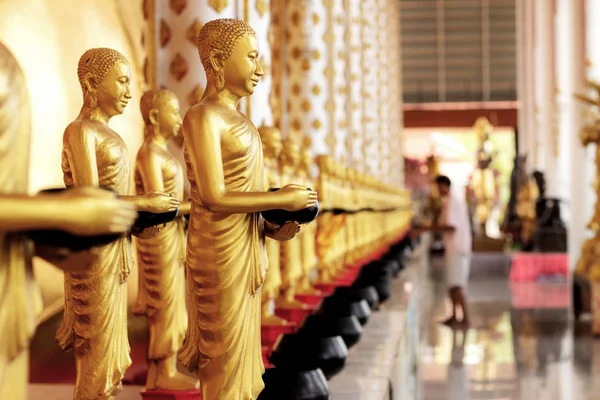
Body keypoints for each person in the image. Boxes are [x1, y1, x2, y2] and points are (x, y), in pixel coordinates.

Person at [417, 175, 472, 328]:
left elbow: (451, 226)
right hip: (452, 247)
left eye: (437, 187)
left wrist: (426, 228)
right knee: (452, 282)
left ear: (443, 186)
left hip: (458, 248)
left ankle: (465, 318)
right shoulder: (448, 201)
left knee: (457, 284)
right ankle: (455, 315)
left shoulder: (453, 201)